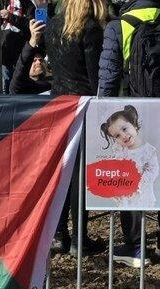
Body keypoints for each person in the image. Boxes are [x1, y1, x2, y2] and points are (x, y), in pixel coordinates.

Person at [98, 0, 160, 266]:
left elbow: (108, 79)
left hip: (131, 112)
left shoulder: (119, 26)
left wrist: (103, 113)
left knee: (131, 174)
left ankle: (136, 248)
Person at [45, 0, 107, 255]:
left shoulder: (53, 25)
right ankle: (80, 238)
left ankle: (59, 234)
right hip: (83, 103)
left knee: (62, 172)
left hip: (58, 103)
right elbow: (95, 75)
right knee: (79, 174)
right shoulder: (90, 28)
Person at [100, 105, 158, 208]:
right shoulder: (120, 150)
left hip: (141, 192)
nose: (123, 136)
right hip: (124, 192)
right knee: (126, 211)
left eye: (124, 129)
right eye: (117, 136)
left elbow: (153, 170)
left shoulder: (148, 150)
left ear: (134, 124)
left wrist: (138, 183)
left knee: (139, 210)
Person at [9, 19, 50, 95]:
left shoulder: (56, 84)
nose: (38, 62)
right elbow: (21, 69)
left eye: (41, 60)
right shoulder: (21, 88)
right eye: (34, 60)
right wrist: (33, 39)